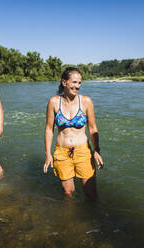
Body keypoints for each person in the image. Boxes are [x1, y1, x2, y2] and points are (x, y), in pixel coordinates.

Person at [43, 67, 104, 199]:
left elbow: (93, 128)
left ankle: (92, 218)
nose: (77, 86)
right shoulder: (53, 102)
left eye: (79, 83)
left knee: (91, 194)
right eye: (74, 82)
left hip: (83, 152)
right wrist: (48, 154)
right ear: (64, 82)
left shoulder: (86, 102)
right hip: (62, 152)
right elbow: (49, 129)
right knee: (68, 194)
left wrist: (97, 150)